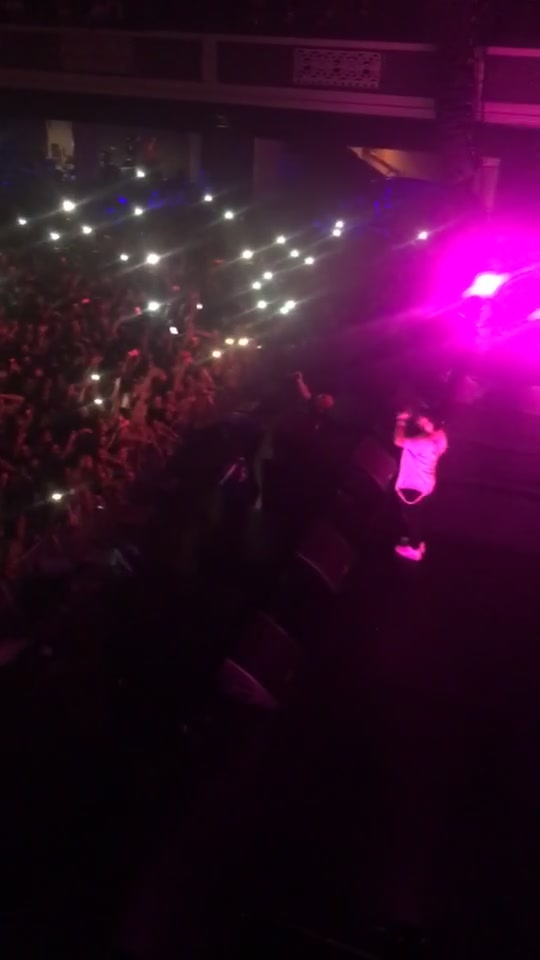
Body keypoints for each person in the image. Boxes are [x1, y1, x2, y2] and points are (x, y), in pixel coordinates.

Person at [393, 406, 448, 561]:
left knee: (412, 519)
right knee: (417, 517)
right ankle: (418, 543)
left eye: (425, 421)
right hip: (425, 486)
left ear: (432, 423)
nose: (421, 423)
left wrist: (400, 421)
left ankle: (414, 548)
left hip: (412, 486)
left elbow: (398, 440)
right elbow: (434, 433)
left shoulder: (423, 442)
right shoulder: (441, 438)